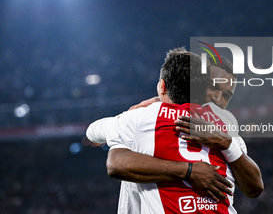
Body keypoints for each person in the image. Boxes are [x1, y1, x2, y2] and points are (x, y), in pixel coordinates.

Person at [86, 49, 263, 213]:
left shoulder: (142, 117)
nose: (217, 99)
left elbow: (99, 140)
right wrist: (190, 170)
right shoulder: (226, 122)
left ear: (162, 86)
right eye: (213, 87)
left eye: (226, 95)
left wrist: (226, 143)